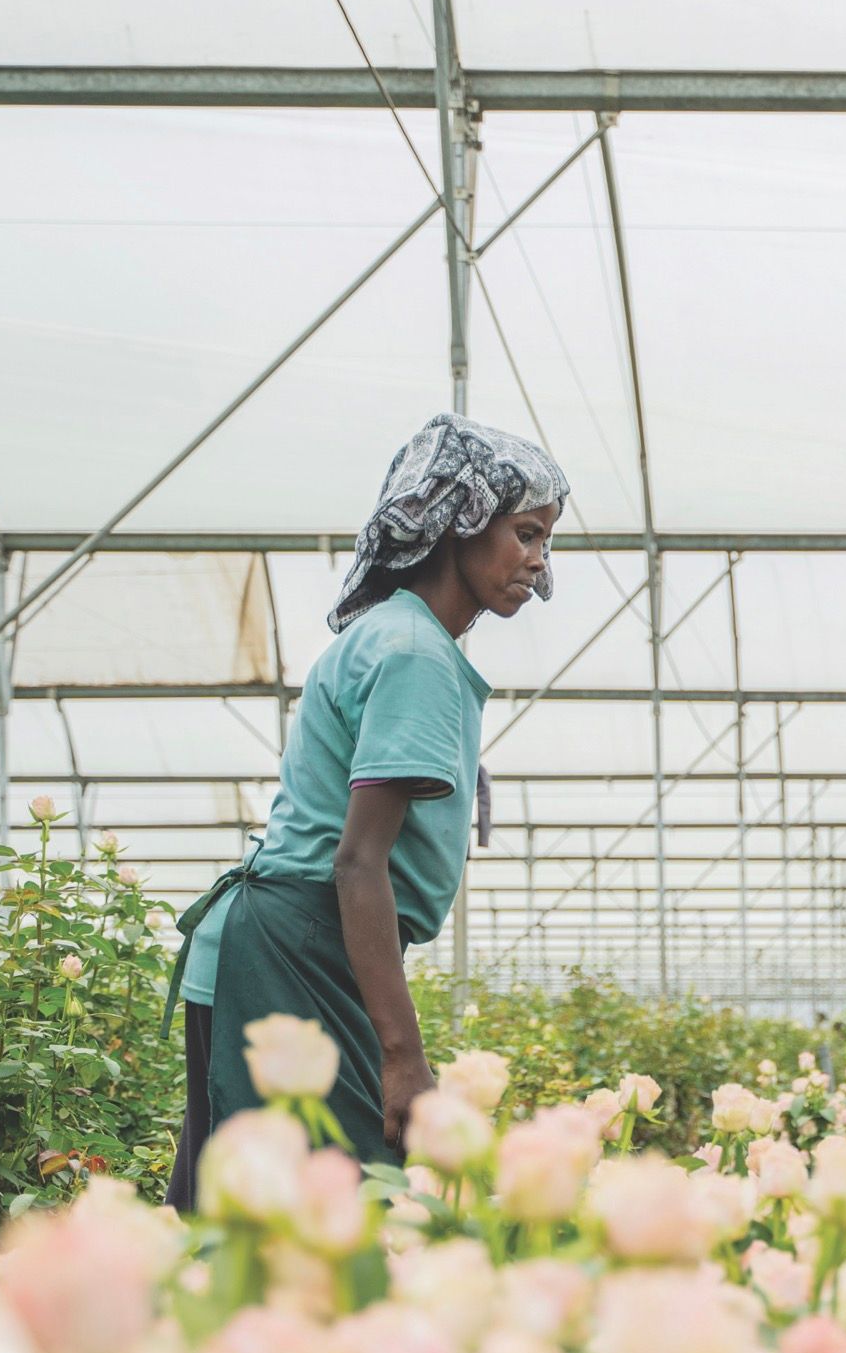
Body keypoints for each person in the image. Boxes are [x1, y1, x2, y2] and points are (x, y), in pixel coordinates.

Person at [166, 413, 567, 1207]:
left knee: (229, 1207)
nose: (538, 561)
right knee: (331, 1212)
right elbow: (358, 863)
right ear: (459, 522)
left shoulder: (397, 638)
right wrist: (403, 1056)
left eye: (547, 540)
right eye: (523, 533)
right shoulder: (415, 654)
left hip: (286, 941)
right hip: (299, 944)